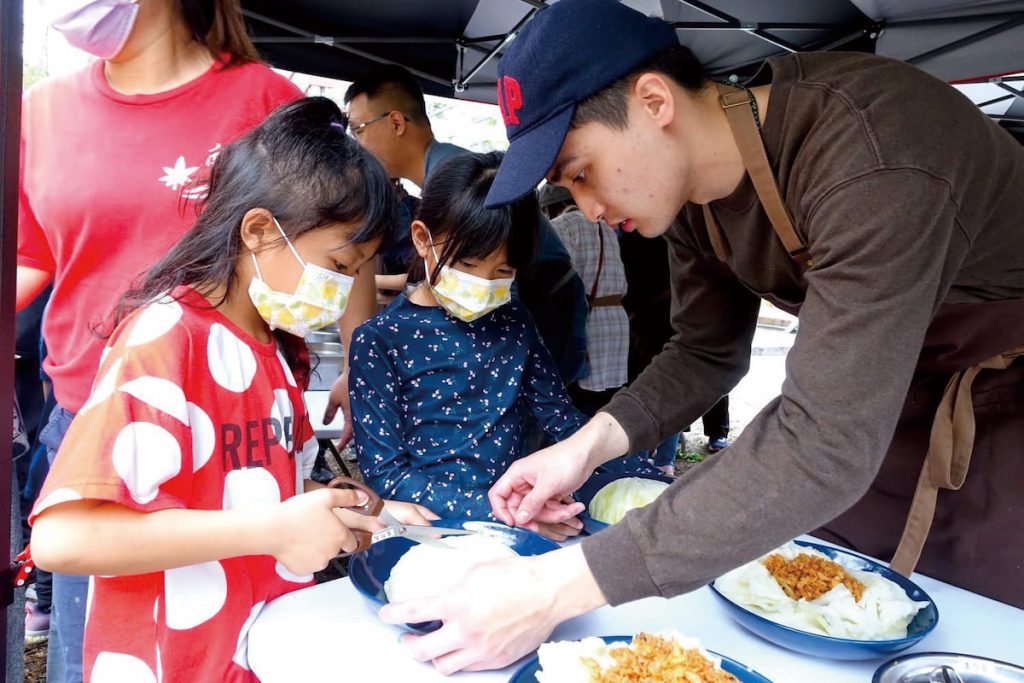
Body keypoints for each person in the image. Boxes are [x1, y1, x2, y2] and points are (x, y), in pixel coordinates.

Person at [377, 0, 1024, 672]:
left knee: (973, 641)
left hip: (1003, 408)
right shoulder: (690, 200)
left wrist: (550, 589)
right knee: (826, 622)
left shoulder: (872, 154)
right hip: (885, 401)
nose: (589, 209)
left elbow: (824, 441)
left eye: (580, 172)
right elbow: (705, 351)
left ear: (654, 101)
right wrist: (582, 448)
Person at [27, 97, 436, 683]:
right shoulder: (166, 339)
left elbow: (248, 485)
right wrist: (271, 530)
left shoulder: (270, 346)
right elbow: (63, 538)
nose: (346, 292)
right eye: (341, 264)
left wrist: (351, 507)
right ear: (261, 231)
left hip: (247, 653)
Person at [16, 2, 310, 679]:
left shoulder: (265, 100)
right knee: (101, 655)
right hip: (95, 432)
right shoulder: (41, 111)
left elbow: (336, 231)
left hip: (235, 432)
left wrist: (358, 352)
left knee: (232, 647)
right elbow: (31, 256)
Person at [349, 152, 655, 541]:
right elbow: (387, 474)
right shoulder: (379, 341)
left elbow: (560, 417)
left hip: (516, 522)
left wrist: (635, 472)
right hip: (428, 534)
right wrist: (505, 511)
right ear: (423, 239)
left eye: (504, 271)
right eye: (468, 264)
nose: (484, 283)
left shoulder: (513, 321)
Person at [333, 65, 590, 417]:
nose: (356, 143)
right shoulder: (443, 169)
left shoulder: (455, 173)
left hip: (544, 314)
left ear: (395, 122)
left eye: (359, 129)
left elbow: (492, 278)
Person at [539, 183, 629, 418]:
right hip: (617, 319)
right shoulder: (605, 227)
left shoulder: (560, 225)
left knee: (581, 401)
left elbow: (560, 278)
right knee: (609, 401)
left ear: (551, 207)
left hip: (589, 322)